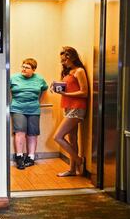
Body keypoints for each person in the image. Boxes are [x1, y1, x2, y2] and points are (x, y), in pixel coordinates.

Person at [52, 46, 88, 177]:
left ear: (71, 58)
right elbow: (68, 88)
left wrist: (66, 93)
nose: (63, 63)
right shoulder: (68, 72)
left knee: (57, 136)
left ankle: (79, 160)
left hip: (77, 107)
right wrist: (56, 88)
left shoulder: (79, 71)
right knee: (72, 139)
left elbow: (84, 92)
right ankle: (72, 169)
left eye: (64, 60)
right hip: (67, 107)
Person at [10, 58, 48, 170]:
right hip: (18, 108)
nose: (24, 69)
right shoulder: (13, 78)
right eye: (23, 66)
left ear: (34, 70)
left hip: (34, 109)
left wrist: (38, 101)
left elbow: (44, 90)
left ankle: (31, 157)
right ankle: (19, 157)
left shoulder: (39, 79)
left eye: (27, 67)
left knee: (32, 133)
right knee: (20, 131)